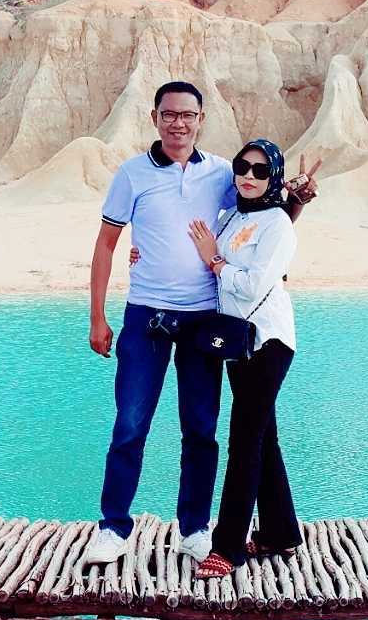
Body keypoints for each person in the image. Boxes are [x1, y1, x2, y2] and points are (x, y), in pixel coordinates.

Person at [84, 81, 236, 565]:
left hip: (203, 319)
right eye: (169, 115)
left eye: (187, 115)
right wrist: (98, 318)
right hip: (145, 316)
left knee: (202, 428)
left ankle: (194, 528)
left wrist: (298, 200)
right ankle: (113, 528)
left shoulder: (223, 174)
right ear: (154, 118)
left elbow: (260, 220)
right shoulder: (132, 174)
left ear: (200, 119)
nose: (178, 123)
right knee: (129, 425)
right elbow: (106, 245)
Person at [190, 140, 313, 578]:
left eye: (261, 171)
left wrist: (216, 262)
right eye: (243, 167)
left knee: (244, 440)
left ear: (273, 178)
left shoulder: (278, 224)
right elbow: (200, 260)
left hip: (268, 342)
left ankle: (226, 548)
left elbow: (254, 283)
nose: (248, 176)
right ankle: (281, 533)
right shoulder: (234, 216)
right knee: (264, 438)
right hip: (239, 341)